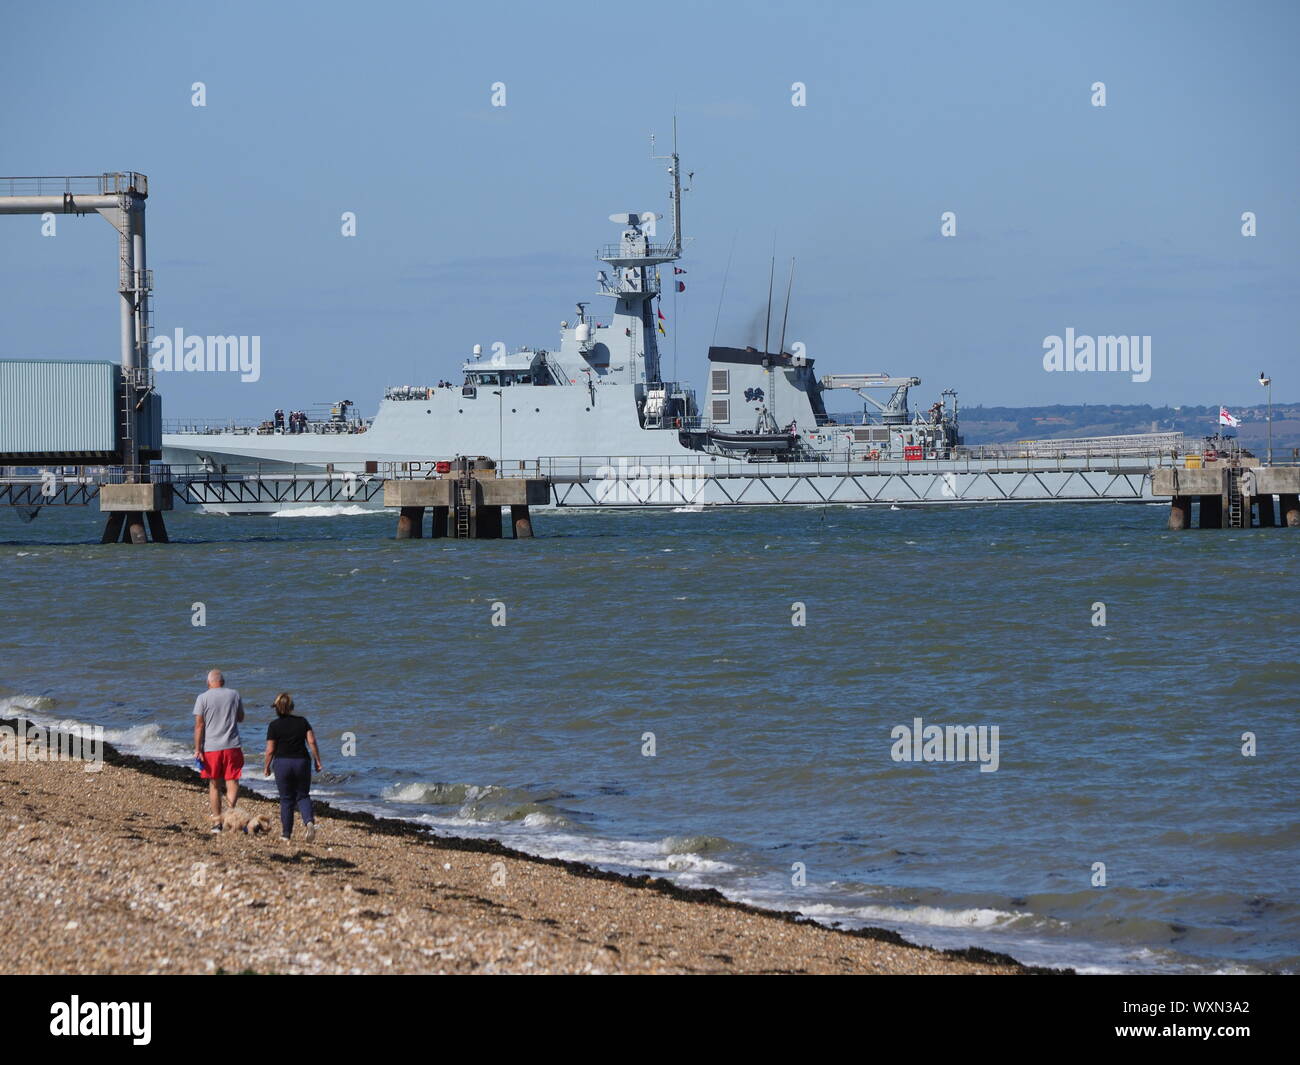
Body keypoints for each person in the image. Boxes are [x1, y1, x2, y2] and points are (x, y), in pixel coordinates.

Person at [263, 692, 322, 842]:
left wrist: (266, 766)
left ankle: (286, 834)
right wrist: (317, 760)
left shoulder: (274, 725)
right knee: (303, 795)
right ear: (292, 707)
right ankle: (309, 822)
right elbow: (312, 741)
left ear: (276, 708)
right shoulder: (302, 721)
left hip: (282, 763)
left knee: (286, 799)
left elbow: (270, 750)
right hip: (301, 761)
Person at [193, 669, 245, 832]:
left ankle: (217, 823)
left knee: (214, 784)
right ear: (223, 682)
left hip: (211, 747)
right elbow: (241, 718)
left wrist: (197, 748)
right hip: (232, 745)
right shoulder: (234, 694)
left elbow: (199, 725)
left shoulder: (202, 698)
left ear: (208, 683)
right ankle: (229, 814)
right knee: (232, 781)